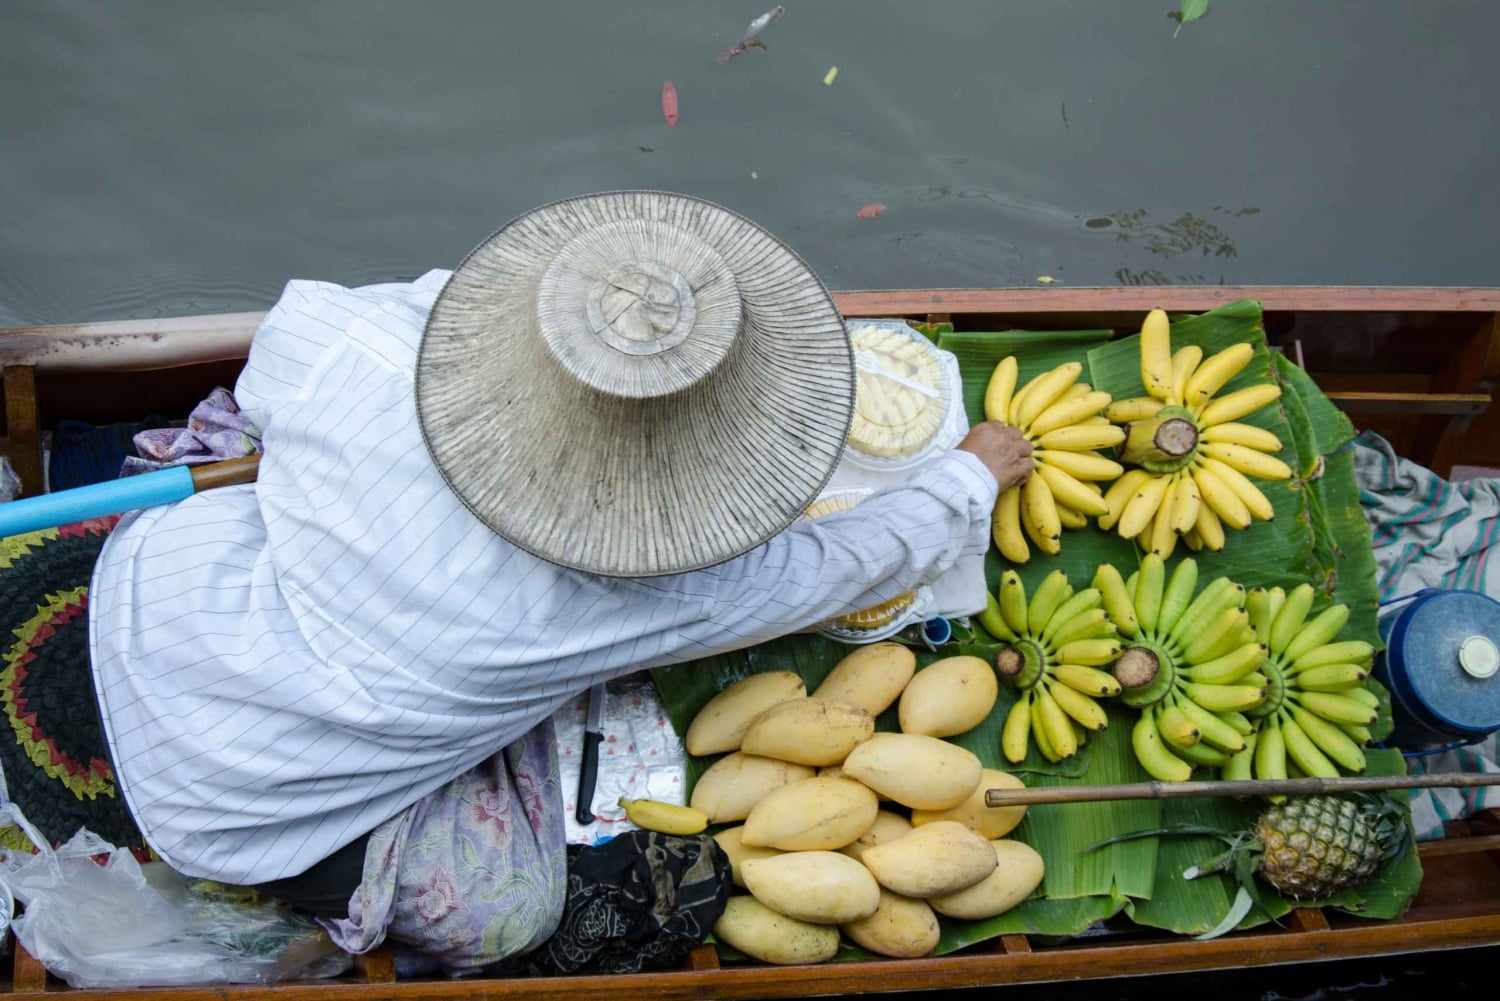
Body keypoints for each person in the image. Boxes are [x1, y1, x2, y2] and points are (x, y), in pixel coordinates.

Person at [81, 192, 1033, 969]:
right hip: (224, 793)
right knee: (509, 912)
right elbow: (824, 568)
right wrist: (968, 480)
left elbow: (301, 348)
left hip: (157, 579)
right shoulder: (618, 596)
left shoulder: (358, 337)